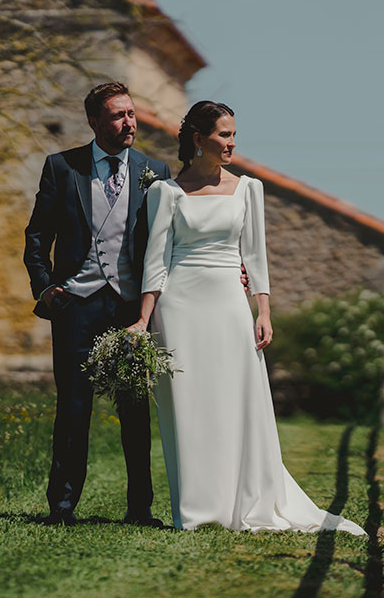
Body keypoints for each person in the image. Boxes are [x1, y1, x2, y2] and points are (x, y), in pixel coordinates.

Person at [129, 101, 366, 535]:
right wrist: (143, 321)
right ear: (198, 139)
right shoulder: (165, 193)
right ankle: (198, 510)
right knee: (188, 407)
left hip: (229, 303)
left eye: (234, 135)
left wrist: (264, 310)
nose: (231, 143)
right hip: (178, 308)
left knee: (236, 401)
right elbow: (156, 259)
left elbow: (254, 254)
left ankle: (248, 501)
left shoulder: (248, 189)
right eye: (223, 135)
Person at [24, 82, 170, 527]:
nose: (129, 123)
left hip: (130, 309)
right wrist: (46, 287)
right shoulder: (62, 167)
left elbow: (169, 241)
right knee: (73, 408)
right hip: (77, 306)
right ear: (94, 122)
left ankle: (140, 509)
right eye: (117, 116)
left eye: (131, 114)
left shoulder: (154, 170)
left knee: (135, 409)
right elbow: (36, 237)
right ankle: (62, 507)